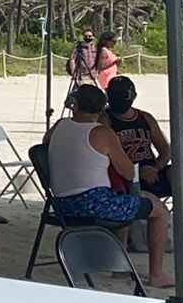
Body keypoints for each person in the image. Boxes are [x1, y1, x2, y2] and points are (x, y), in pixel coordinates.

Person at [43, 85, 172, 286]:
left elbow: (45, 144)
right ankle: (156, 274)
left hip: (60, 205)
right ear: (102, 108)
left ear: (74, 104)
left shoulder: (59, 126)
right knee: (158, 210)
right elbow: (128, 172)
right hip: (94, 204)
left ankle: (118, 266)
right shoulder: (102, 133)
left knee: (122, 199)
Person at [66, 28, 96, 109]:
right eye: (86, 36)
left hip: (93, 76)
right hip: (80, 75)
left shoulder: (96, 48)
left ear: (93, 37)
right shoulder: (79, 48)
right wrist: (73, 73)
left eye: (90, 36)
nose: (88, 38)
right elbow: (72, 59)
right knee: (76, 94)